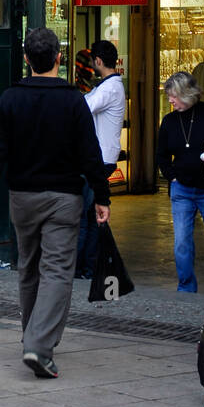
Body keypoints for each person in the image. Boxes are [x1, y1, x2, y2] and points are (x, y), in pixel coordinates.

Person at [0, 27, 111, 379]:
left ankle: (32, 335)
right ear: (59, 58)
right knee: (56, 271)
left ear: (26, 59)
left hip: (22, 196)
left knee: (29, 266)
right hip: (63, 198)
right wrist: (101, 195)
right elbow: (90, 153)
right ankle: (39, 344)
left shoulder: (10, 99)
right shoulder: (73, 100)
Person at [157, 71, 204, 293]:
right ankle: (186, 288)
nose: (170, 100)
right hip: (182, 189)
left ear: (187, 94)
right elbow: (161, 154)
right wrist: (172, 176)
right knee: (181, 243)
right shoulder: (169, 121)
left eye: (174, 96)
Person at [77, 40, 126, 277]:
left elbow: (83, 109)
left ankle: (85, 267)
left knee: (87, 216)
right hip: (102, 157)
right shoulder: (107, 85)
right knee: (91, 214)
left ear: (98, 61)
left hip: (100, 159)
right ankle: (89, 266)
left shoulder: (110, 88)